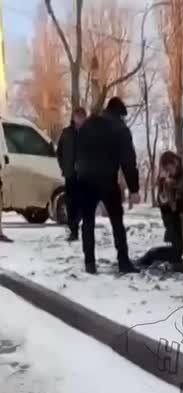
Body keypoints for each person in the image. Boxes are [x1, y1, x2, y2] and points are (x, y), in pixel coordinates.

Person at [76, 96, 140, 275]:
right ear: (119, 113)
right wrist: (134, 188)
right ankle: (123, 261)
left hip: (85, 180)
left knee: (88, 221)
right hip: (107, 180)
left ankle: (89, 263)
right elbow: (128, 161)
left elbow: (77, 152)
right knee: (117, 221)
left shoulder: (88, 125)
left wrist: (79, 174)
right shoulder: (120, 129)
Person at [137, 151, 183, 272]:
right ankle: (149, 258)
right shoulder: (168, 180)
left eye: (170, 168)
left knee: (180, 254)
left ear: (175, 162)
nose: (169, 172)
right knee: (157, 253)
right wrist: (164, 191)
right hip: (176, 227)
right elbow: (166, 209)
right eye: (166, 169)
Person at [57, 107, 87, 241]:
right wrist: (63, 166)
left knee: (83, 202)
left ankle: (77, 223)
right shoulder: (66, 133)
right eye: (77, 116)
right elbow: (59, 152)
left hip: (85, 175)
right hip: (70, 174)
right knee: (70, 203)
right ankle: (73, 230)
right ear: (74, 118)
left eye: (82, 117)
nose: (79, 119)